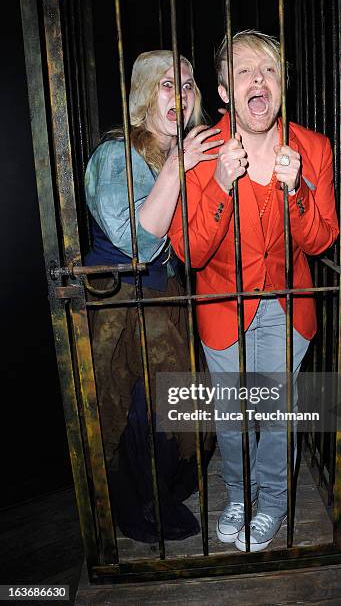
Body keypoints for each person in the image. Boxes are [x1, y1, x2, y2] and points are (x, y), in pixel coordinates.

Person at [169, 30, 339, 552]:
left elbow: (323, 238)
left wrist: (296, 195)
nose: (258, 80)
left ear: (283, 83)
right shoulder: (199, 153)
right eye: (244, 71)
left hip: (289, 306)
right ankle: (239, 495)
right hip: (222, 307)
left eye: (268, 70)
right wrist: (220, 182)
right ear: (224, 91)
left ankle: (271, 504)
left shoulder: (312, 148)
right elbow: (189, 253)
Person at [84, 50, 221, 541]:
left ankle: (162, 492)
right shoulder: (114, 154)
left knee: (173, 404)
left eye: (187, 85)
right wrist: (176, 170)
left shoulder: (175, 150)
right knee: (134, 409)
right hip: (122, 306)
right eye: (168, 84)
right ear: (144, 92)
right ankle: (135, 506)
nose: (180, 95)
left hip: (164, 302)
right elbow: (137, 241)